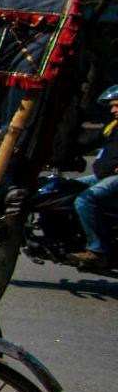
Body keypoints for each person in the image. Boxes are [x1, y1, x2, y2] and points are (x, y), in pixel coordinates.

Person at [67, 84, 118, 269]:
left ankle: (97, 251)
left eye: (116, 105)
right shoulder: (112, 127)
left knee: (84, 200)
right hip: (101, 175)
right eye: (112, 106)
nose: (113, 110)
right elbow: (88, 141)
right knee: (64, 188)